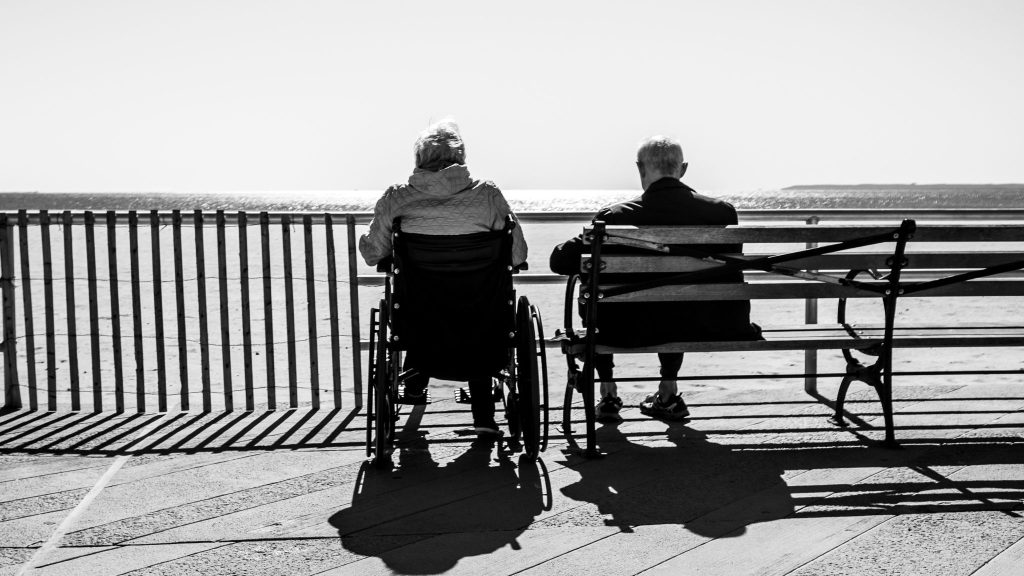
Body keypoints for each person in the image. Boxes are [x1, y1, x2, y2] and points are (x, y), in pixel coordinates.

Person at [549, 135, 759, 421]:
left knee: (595, 286)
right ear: (682, 169)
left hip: (625, 330)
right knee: (678, 299)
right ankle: (668, 391)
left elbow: (559, 261)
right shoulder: (721, 212)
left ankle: (608, 392)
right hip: (707, 324)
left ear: (640, 169)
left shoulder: (614, 217)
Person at [359, 119, 528, 436]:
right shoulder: (488, 195)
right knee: (474, 305)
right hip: (482, 318)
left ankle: (413, 384)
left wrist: (364, 241)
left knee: (425, 299)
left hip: (421, 319)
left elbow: (373, 254)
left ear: (419, 160)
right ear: (461, 159)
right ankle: (484, 418)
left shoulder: (397, 199)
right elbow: (517, 255)